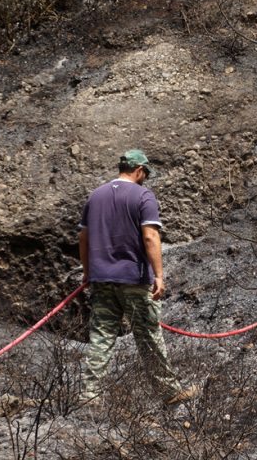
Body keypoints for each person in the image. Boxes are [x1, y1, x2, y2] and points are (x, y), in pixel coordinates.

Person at [76, 150, 198, 406]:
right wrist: (159, 276)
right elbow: (150, 237)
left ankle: (89, 396)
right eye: (145, 174)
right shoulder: (143, 195)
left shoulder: (95, 196)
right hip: (134, 278)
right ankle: (169, 393)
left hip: (101, 280)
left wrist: (88, 273)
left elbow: (83, 238)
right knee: (148, 336)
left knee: (101, 336)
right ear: (140, 170)